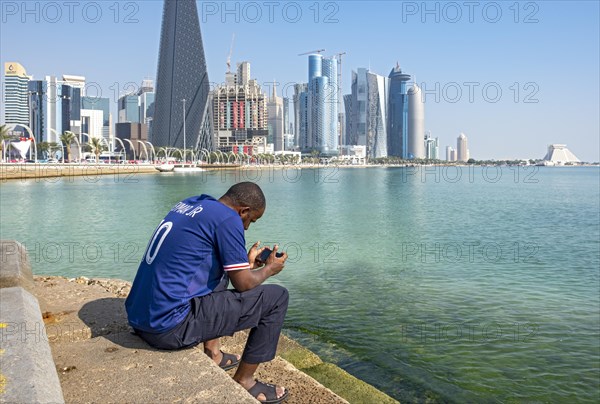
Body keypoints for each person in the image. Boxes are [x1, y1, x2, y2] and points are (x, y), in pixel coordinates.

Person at [125, 182, 289, 403]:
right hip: (169, 329)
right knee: (277, 298)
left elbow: (203, 265)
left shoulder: (192, 203)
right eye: (251, 220)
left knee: (222, 269)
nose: (248, 227)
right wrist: (269, 268)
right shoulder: (228, 219)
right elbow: (243, 285)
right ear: (244, 211)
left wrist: (245, 266)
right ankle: (245, 380)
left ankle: (214, 354)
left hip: (141, 319)